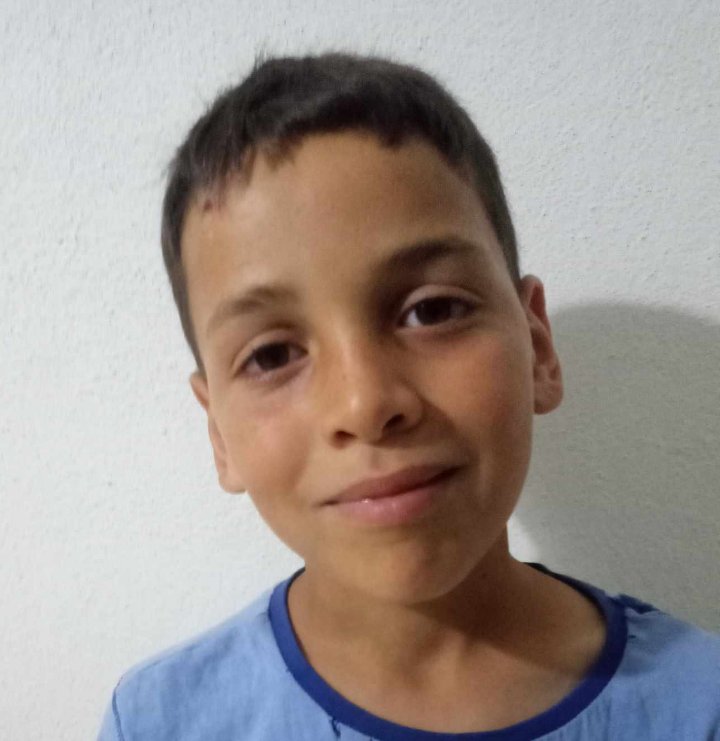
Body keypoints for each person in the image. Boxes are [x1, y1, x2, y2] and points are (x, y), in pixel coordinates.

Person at [96, 52, 720, 740]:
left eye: (432, 311)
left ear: (537, 345)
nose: (365, 404)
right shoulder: (160, 722)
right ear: (219, 433)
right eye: (272, 355)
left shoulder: (700, 704)